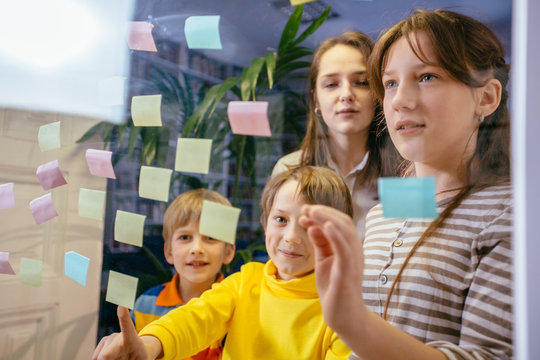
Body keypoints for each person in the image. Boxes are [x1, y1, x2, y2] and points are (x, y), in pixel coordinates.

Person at [300, 9, 512, 360]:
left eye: (427, 77)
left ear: (486, 98)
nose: (398, 101)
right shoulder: (385, 212)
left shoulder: (511, 213)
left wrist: (353, 324)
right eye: (390, 83)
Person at [93, 166, 353, 360]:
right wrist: (149, 345)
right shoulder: (245, 281)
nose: (292, 237)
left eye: (309, 224)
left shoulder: (344, 312)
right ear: (265, 223)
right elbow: (196, 317)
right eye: (281, 220)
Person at [272, 31, 400, 238]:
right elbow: (282, 251)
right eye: (331, 84)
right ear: (316, 100)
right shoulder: (289, 170)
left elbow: (413, 255)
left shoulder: (404, 173)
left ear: (377, 93)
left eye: (361, 82)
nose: (346, 95)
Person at [130, 189, 236, 360]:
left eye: (210, 238)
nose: (196, 249)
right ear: (169, 252)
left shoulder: (235, 310)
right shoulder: (145, 304)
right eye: (185, 237)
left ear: (228, 252)